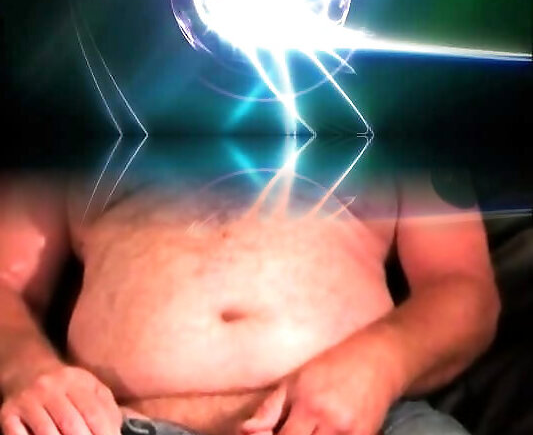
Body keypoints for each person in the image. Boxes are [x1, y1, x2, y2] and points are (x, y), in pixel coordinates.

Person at [0, 166, 500, 435]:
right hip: (109, 426)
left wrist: (378, 365)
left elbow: (463, 287)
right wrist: (28, 371)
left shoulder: (396, 97)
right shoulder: (83, 103)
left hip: (361, 426)